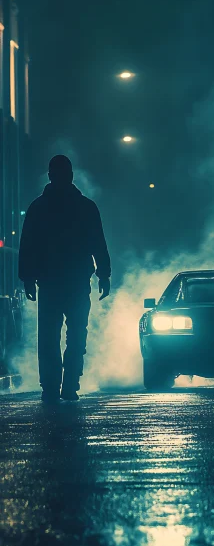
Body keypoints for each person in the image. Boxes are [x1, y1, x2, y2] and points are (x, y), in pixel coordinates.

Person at [18, 155, 111, 403]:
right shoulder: (86, 207)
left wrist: (27, 278)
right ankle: (69, 384)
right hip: (77, 282)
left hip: (49, 283)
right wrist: (104, 274)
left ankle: (51, 386)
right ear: (71, 176)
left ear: (50, 176)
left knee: (49, 336)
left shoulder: (38, 208)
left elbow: (27, 245)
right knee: (76, 335)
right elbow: (98, 243)